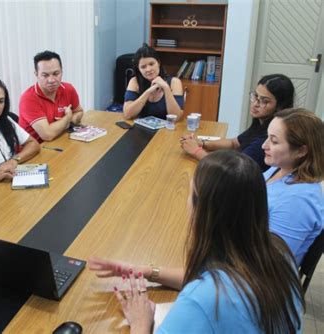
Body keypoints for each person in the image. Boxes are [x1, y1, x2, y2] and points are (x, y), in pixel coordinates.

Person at [89, 151, 303, 333]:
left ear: (203, 211)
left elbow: (208, 292)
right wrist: (143, 270)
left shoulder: (204, 299)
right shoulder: (278, 250)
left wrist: (140, 322)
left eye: (191, 194)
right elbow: (215, 282)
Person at [180, 74, 294, 171]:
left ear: (280, 107)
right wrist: (202, 143)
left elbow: (233, 170)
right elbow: (234, 143)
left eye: (264, 101)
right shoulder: (261, 123)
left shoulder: (268, 137)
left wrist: (196, 151)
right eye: (255, 96)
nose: (255, 103)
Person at [262, 108, 324, 265]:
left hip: (264, 281)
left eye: (274, 141)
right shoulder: (280, 167)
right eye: (267, 137)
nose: (264, 145)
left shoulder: (299, 201)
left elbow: (271, 262)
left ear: (301, 151)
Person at [19, 50, 84, 142]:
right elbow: (48, 135)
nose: (51, 80)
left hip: (60, 140)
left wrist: (66, 123)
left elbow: (79, 111)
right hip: (35, 149)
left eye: (56, 74)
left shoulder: (68, 89)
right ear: (36, 74)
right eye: (45, 75)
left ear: (62, 71)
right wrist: (67, 118)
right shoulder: (28, 99)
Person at [123, 44, 183, 120]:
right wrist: (148, 92)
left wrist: (166, 88)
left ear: (158, 63)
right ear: (138, 69)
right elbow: (128, 114)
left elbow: (176, 117)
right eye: (143, 67)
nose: (148, 69)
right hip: (142, 128)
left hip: (168, 128)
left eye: (151, 64)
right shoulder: (135, 81)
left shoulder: (174, 82)